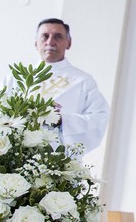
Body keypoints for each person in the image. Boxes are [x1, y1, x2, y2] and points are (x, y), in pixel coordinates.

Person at [30, 18, 109, 153]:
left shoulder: (83, 81)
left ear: (69, 43)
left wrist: (61, 120)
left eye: (58, 36)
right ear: (36, 43)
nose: (50, 42)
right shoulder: (17, 78)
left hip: (59, 159)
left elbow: (98, 118)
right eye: (45, 36)